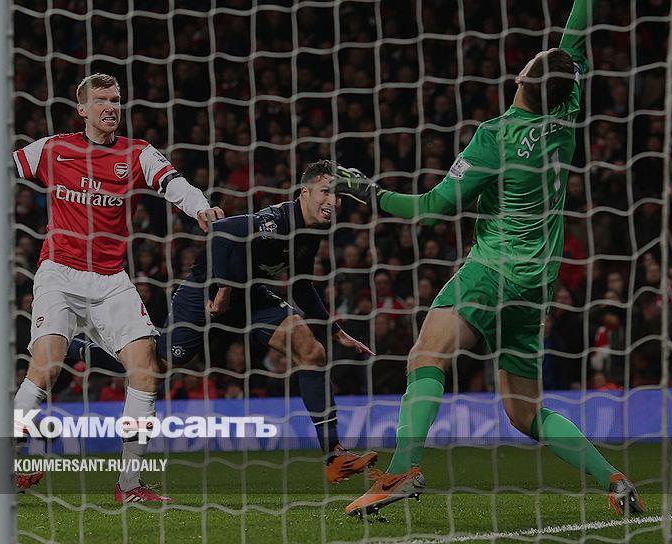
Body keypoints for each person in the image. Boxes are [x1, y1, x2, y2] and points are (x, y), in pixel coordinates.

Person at [335, 0, 645, 517]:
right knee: (525, 415)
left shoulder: (494, 137)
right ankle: (613, 479)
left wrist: (369, 192)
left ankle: (402, 472)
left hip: (493, 269)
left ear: (523, 77)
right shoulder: (565, 113)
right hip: (537, 285)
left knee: (425, 356)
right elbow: (574, 38)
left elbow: (431, 210)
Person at [0, 73, 224, 502]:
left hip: (111, 279)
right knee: (47, 365)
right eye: (101, 100)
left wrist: (201, 207)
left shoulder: (137, 152)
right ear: (82, 109)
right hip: (60, 274)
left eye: (116, 100)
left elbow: (172, 183)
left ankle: (129, 485)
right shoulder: (55, 149)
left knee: (146, 369)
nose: (111, 107)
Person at [158, 159, 377, 483]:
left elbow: (301, 285)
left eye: (338, 195)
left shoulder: (310, 234)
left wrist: (336, 332)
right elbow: (220, 231)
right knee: (157, 364)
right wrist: (223, 290)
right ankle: (84, 349)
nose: (333, 201)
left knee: (313, 352)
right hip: (206, 290)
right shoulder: (275, 221)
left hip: (249, 296)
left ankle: (334, 455)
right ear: (305, 192)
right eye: (326, 192)